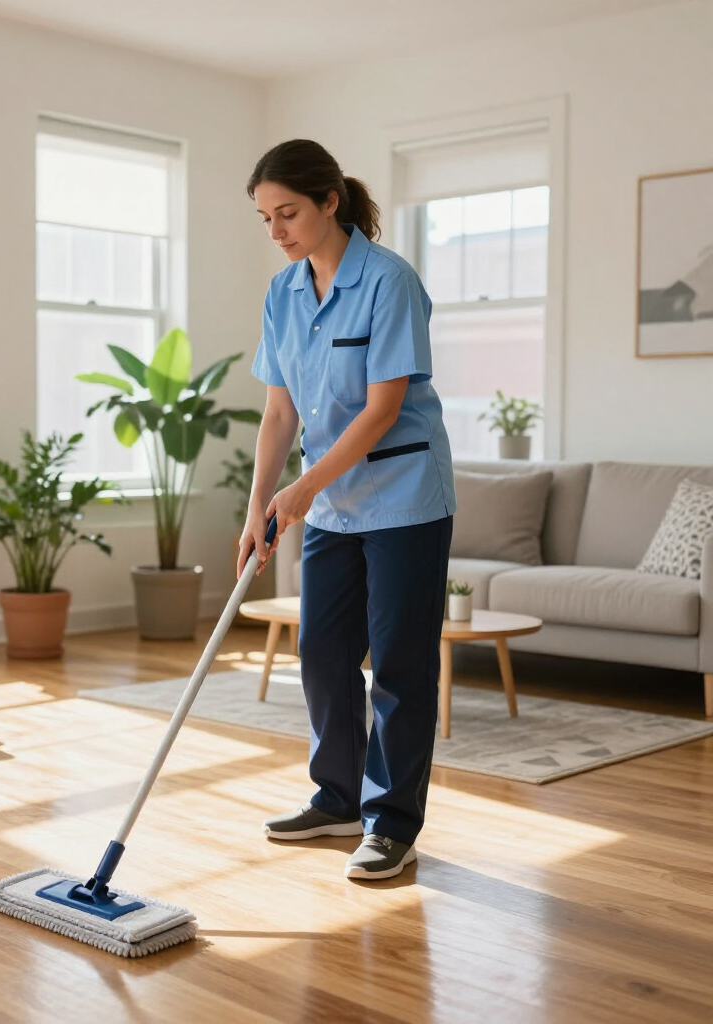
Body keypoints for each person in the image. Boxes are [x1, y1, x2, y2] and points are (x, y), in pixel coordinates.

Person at [237, 139, 456, 881]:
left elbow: (381, 409)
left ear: (330, 201)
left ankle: (391, 822)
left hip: (403, 501)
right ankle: (335, 799)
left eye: (288, 213)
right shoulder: (282, 293)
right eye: (266, 218)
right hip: (331, 506)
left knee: (398, 664)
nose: (278, 232)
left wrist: (301, 490)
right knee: (323, 655)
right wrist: (256, 506)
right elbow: (277, 415)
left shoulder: (390, 282)